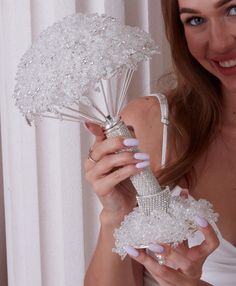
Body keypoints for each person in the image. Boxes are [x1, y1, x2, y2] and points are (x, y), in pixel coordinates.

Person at [84, 0, 236, 285]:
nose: (219, 43)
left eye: (233, 10)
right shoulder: (150, 125)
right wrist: (116, 215)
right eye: (195, 20)